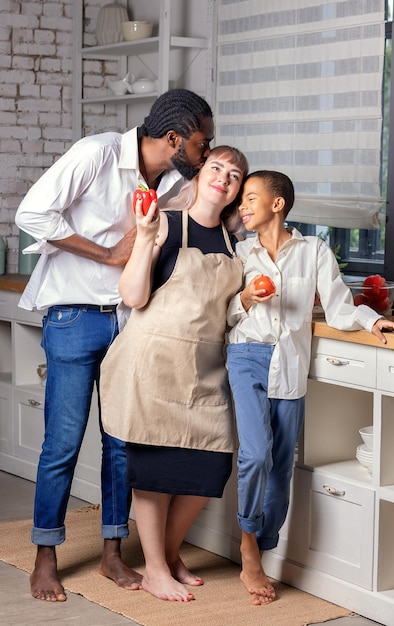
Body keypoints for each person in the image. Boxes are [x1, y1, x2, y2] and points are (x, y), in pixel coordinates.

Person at [14, 88, 215, 603]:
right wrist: (106, 253)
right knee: (62, 443)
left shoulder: (173, 180)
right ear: (172, 139)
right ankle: (45, 556)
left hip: (131, 321)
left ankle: (111, 554)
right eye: (201, 143)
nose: (206, 153)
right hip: (74, 315)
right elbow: (32, 214)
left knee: (122, 443)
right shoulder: (97, 153)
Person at [225, 170, 394, 606]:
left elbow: (341, 306)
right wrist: (248, 297)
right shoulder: (239, 252)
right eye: (241, 200)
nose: (243, 206)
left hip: (289, 365)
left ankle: (265, 541)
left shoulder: (314, 251)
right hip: (247, 355)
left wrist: (372, 319)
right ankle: (249, 549)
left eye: (251, 198)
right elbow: (226, 313)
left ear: (278, 203)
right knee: (255, 453)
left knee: (283, 462)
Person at [99, 145, 249, 602]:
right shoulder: (164, 222)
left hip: (203, 369)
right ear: (200, 173)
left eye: (235, 175)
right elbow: (133, 295)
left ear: (239, 190)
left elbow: (229, 312)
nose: (224, 177)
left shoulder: (234, 245)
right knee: (155, 471)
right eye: (217, 168)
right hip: (154, 362)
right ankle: (157, 570)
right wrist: (144, 240)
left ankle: (165, 555)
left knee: (210, 465)